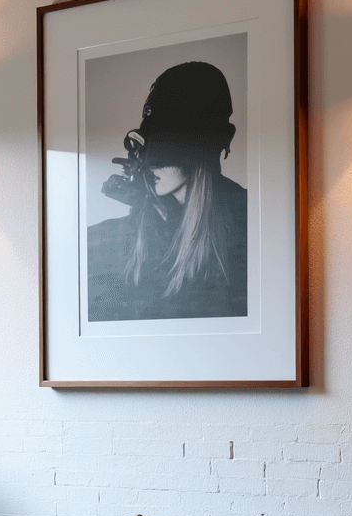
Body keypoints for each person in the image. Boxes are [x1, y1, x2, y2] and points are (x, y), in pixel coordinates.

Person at [87, 61, 247, 322]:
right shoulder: (105, 242)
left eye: (166, 143)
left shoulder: (249, 227)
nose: (149, 159)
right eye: (145, 140)